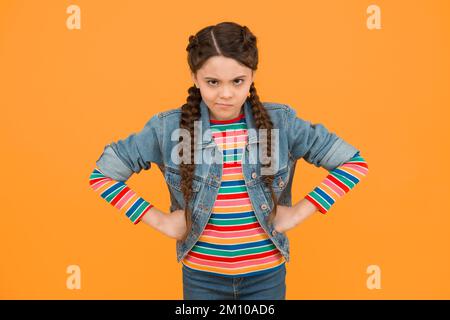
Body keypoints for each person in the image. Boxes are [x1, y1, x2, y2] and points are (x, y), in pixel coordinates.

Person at [89, 21, 369, 300]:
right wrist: (162, 222)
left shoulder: (281, 123)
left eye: (238, 81)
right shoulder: (168, 128)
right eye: (213, 82)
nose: (226, 93)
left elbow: (353, 163)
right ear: (195, 77)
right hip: (201, 279)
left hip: (266, 277)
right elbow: (103, 175)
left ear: (252, 75)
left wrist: (296, 214)